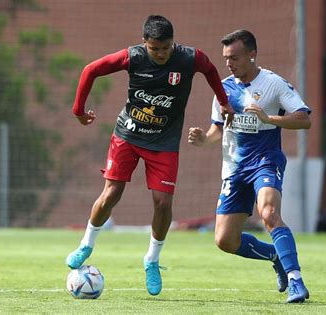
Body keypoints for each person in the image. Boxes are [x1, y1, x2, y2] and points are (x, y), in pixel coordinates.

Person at [66, 15, 234, 296]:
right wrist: (78, 111)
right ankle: (86, 244)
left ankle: (152, 260)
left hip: (164, 141)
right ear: (144, 43)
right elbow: (90, 70)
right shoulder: (132, 57)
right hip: (127, 135)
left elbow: (211, 70)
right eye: (154, 49)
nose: (160, 54)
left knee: (163, 203)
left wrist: (224, 101)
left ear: (173, 43)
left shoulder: (190, 58)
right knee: (111, 194)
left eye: (165, 48)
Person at [188, 29, 311, 303]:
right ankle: (275, 255)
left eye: (234, 57)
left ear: (252, 55)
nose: (229, 64)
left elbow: (304, 119)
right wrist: (202, 140)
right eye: (226, 59)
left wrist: (270, 118)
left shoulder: (274, 83)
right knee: (225, 241)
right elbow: (218, 130)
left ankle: (296, 281)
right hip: (234, 168)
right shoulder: (223, 89)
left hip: (265, 161)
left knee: (268, 213)